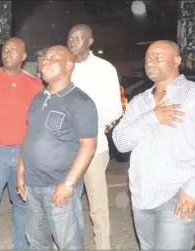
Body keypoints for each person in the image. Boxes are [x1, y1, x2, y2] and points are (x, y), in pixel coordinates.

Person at [112, 40, 195, 250]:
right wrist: (150, 118)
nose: (150, 61)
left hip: (179, 193)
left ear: (177, 61)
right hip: (142, 196)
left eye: (158, 57)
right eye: (147, 58)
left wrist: (193, 189)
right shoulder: (139, 102)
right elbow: (120, 143)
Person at [16, 45, 98, 250]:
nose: (45, 61)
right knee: (36, 241)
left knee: (68, 243)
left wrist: (69, 183)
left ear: (69, 65)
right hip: (33, 185)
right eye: (45, 58)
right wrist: (20, 169)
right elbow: (30, 135)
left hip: (58, 185)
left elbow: (88, 146)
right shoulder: (38, 98)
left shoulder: (81, 101)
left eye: (54, 58)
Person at [0, 37, 42, 249]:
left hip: (24, 154)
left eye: (14, 50)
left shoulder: (36, 84)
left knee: (22, 204)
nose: (7, 53)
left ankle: (21, 246)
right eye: (5, 49)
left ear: (23, 56)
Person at [67, 23, 122, 250]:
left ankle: (103, 246)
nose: (73, 42)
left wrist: (86, 124)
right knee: (65, 202)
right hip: (64, 147)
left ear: (90, 41)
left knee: (97, 205)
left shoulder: (104, 68)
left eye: (78, 38)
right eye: (70, 38)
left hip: (94, 146)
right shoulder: (63, 65)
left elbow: (115, 110)